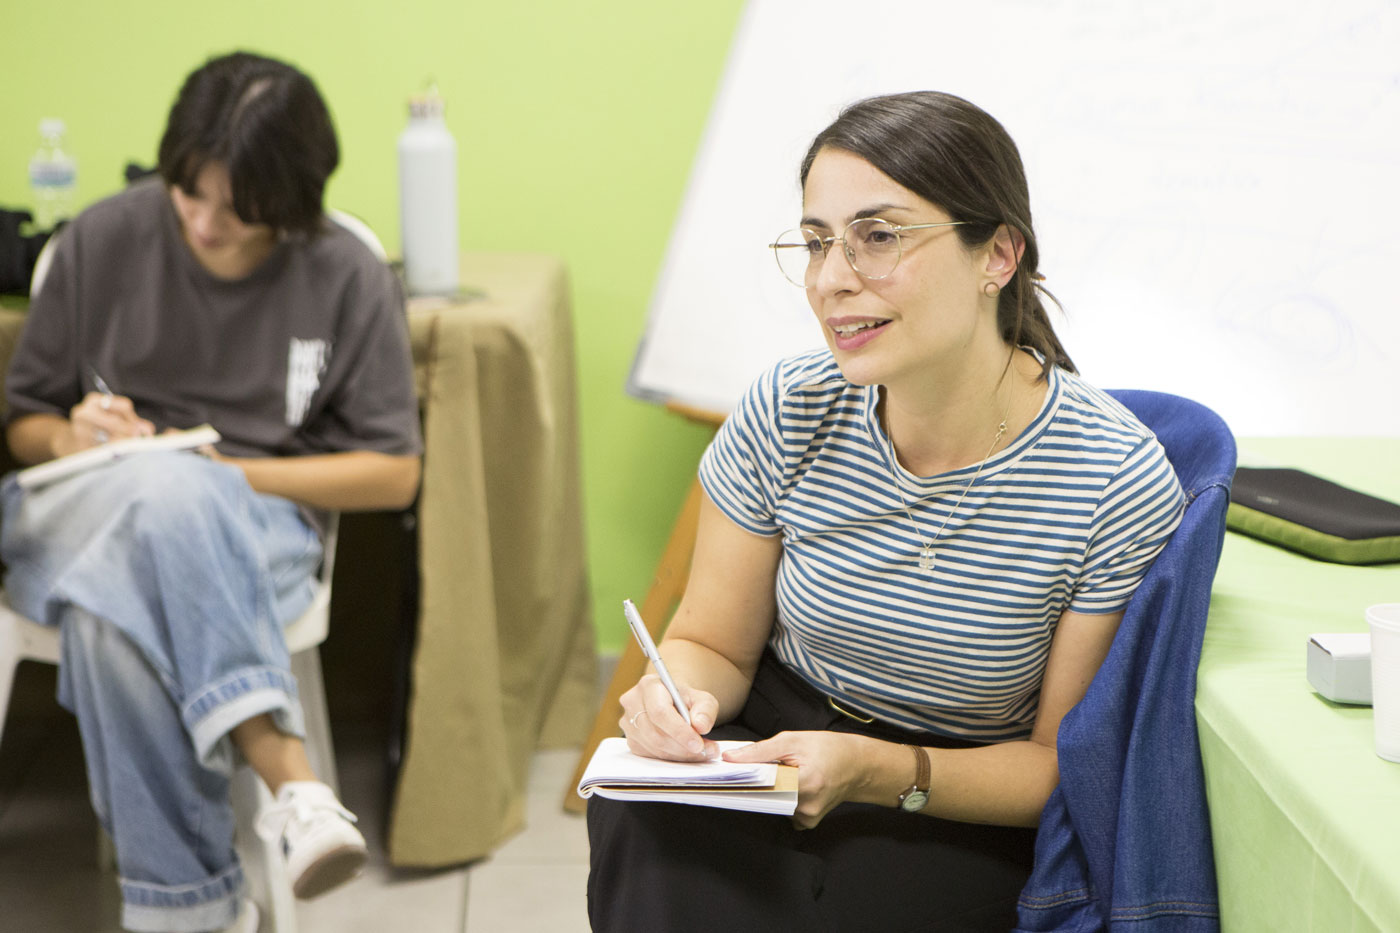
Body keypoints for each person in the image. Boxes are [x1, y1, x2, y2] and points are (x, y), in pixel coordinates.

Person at [586, 90, 1186, 931]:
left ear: (998, 255)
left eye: (879, 236)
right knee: (646, 825)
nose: (831, 279)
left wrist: (875, 769)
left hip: (949, 792)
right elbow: (713, 643)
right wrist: (672, 695)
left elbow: (1057, 766)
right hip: (767, 741)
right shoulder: (788, 407)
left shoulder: (1113, 477)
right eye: (817, 242)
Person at [1, 52, 421, 933]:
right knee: (157, 493)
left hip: (251, 524)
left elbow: (394, 471)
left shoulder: (345, 272)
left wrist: (218, 474)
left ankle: (194, 915)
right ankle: (292, 779)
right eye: (188, 193)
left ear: (291, 198)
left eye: (233, 208)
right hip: (75, 510)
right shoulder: (101, 236)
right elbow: (24, 424)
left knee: (111, 616)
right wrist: (72, 434)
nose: (201, 221)